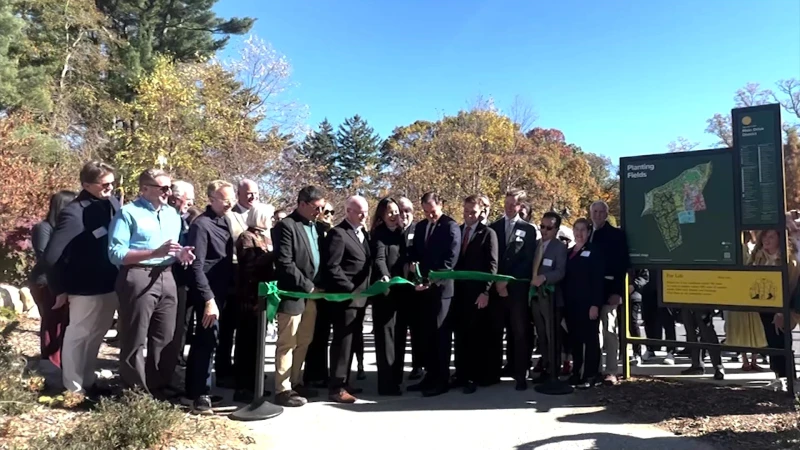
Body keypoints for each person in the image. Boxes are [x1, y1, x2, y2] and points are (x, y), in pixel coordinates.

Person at [109, 169, 194, 397]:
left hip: (167, 275)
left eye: (169, 187)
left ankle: (159, 385)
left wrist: (181, 253)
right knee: (135, 335)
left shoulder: (172, 215)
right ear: (144, 188)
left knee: (166, 335)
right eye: (163, 188)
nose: (168, 192)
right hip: (138, 275)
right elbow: (116, 253)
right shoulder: (128, 213)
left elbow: (171, 248)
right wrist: (153, 252)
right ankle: (134, 391)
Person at [44, 161, 120, 396]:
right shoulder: (74, 212)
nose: (110, 187)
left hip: (109, 283)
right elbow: (52, 256)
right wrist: (59, 289)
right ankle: (73, 388)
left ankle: (88, 381)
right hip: (84, 287)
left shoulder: (113, 203)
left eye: (112, 182)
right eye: (104, 183)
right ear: (86, 184)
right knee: (79, 335)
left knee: (96, 335)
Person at [184, 180, 237, 414]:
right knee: (206, 340)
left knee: (211, 340)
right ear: (211, 199)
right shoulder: (201, 226)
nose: (229, 203)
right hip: (208, 292)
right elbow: (196, 267)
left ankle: (197, 388)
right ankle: (199, 395)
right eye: (225, 200)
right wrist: (208, 299)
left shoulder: (225, 221)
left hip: (223, 290)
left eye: (231, 199)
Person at [272, 186, 326, 407]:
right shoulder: (286, 226)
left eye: (322, 207)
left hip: (312, 295)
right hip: (293, 294)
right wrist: (307, 286)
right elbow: (285, 262)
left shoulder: (317, 228)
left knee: (304, 340)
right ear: (302, 204)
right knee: (288, 342)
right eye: (316, 207)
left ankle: (296, 381)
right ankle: (282, 389)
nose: (320, 212)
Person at [409, 192, 460, 397]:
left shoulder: (450, 226)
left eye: (433, 211)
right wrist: (413, 267)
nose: (430, 216)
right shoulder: (421, 227)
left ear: (441, 205)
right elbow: (416, 252)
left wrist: (432, 281)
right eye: (426, 212)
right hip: (423, 289)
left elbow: (450, 259)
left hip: (441, 290)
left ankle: (442, 379)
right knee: (426, 335)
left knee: (441, 336)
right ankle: (429, 376)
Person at [323, 196, 372, 403]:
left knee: (352, 342)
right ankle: (336, 387)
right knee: (342, 343)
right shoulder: (338, 234)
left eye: (366, 211)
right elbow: (332, 267)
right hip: (346, 298)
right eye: (360, 211)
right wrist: (350, 289)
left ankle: (345, 380)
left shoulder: (363, 234)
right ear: (349, 211)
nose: (364, 215)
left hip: (361, 299)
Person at [489, 189, 538, 387]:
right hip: (496, 288)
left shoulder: (528, 229)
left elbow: (527, 260)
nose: (509, 208)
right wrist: (498, 281)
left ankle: (520, 373)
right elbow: (492, 258)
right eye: (507, 203)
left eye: (514, 204)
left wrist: (507, 281)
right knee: (495, 330)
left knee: (519, 331)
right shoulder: (494, 227)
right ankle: (493, 372)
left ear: (520, 206)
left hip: (517, 288)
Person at [451, 195, 498, 394]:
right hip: (458, 293)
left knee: (475, 337)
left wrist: (486, 291)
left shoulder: (488, 233)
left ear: (480, 213)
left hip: (477, 293)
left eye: (473, 212)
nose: (469, 215)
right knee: (460, 335)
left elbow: (492, 265)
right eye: (466, 211)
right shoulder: (458, 231)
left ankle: (473, 376)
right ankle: (460, 374)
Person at [29, 190, 77, 374]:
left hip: (64, 282)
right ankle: (50, 363)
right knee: (51, 322)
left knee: (64, 323)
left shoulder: (66, 230)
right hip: (45, 281)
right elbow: (44, 257)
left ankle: (62, 361)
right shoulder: (44, 228)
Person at [233, 202, 277, 402]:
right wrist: (272, 256)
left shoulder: (265, 237)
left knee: (258, 342)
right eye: (271, 216)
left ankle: (255, 383)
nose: (273, 220)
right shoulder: (246, 237)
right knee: (246, 342)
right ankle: (243, 386)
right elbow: (249, 265)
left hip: (264, 294)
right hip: (249, 295)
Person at [588, 201, 630, 385]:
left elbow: (623, 265)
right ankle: (595, 368)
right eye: (594, 211)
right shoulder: (587, 233)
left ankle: (611, 370)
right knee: (593, 332)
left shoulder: (616, 235)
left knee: (609, 331)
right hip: (589, 291)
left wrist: (618, 292)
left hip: (609, 291)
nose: (597, 215)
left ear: (606, 214)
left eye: (600, 212)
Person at [561, 218, 605, 388]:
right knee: (576, 340)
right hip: (571, 304)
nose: (579, 233)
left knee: (590, 340)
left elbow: (597, 281)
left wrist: (595, 304)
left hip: (588, 304)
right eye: (576, 229)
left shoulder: (595, 251)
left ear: (588, 232)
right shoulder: (569, 252)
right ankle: (576, 373)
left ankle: (590, 375)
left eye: (583, 230)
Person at [370, 197, 405, 395]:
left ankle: (397, 379)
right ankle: (386, 383)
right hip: (385, 292)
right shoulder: (379, 235)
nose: (394, 215)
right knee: (385, 338)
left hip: (402, 292)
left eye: (395, 211)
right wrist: (384, 275)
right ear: (382, 216)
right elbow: (380, 258)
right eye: (389, 212)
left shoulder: (401, 234)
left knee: (399, 336)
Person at [528, 211, 568, 386]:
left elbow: (560, 271)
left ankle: (554, 369)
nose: (544, 230)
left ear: (556, 229)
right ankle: (544, 364)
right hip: (535, 296)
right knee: (541, 334)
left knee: (552, 334)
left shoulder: (560, 247)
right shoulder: (536, 245)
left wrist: (544, 278)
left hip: (550, 298)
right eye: (542, 226)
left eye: (549, 228)